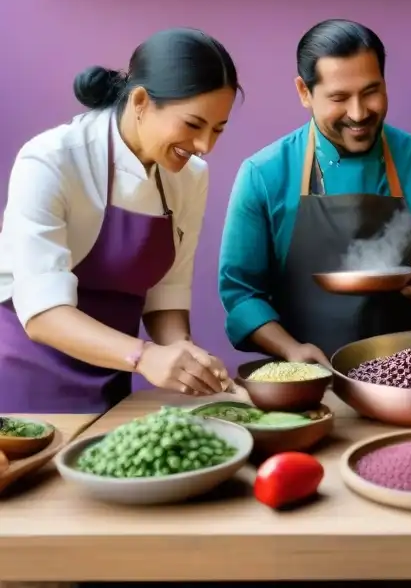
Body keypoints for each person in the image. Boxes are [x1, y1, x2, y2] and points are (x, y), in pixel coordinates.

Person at [0, 28, 241, 413]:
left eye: (218, 129)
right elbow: (42, 313)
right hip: (30, 383)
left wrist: (183, 355)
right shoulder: (49, 160)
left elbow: (168, 292)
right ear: (142, 101)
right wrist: (146, 357)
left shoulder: (191, 176)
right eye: (194, 125)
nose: (205, 146)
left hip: (113, 378)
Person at [218, 19, 411, 366]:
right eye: (339, 97)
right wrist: (290, 350)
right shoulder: (263, 174)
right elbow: (241, 293)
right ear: (304, 92)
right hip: (306, 381)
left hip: (409, 380)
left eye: (371, 92)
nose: (358, 113)